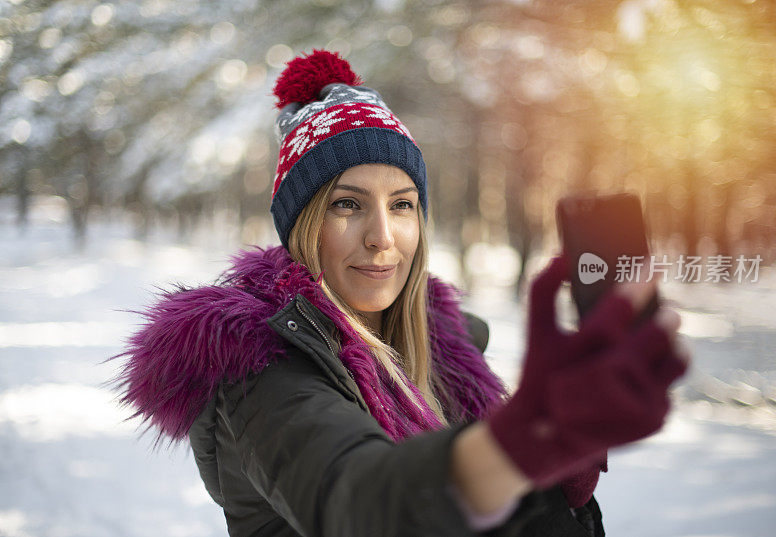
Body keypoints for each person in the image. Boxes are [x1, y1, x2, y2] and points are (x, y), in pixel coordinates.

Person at [112, 50, 689, 537]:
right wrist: (520, 444)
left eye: (403, 204)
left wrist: (558, 485)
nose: (382, 238)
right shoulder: (259, 370)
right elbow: (358, 498)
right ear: (302, 225)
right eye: (347, 204)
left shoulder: (448, 358)